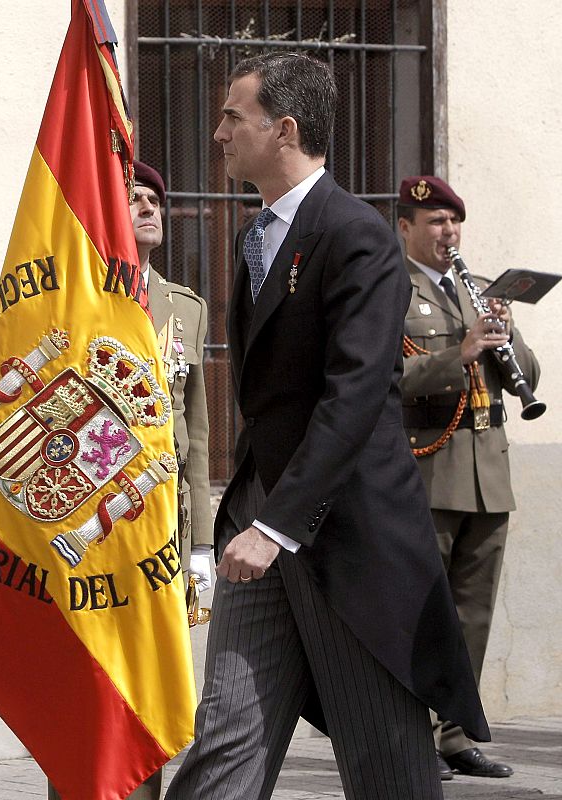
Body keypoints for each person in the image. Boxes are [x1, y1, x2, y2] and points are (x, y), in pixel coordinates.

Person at [164, 52, 489, 800]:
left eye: (231, 117)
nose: (217, 133)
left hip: (344, 538)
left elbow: (356, 396)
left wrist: (276, 526)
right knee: (225, 741)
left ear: (283, 129)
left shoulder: (356, 235)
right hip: (261, 515)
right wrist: (252, 517)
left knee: (387, 768)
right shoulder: (256, 237)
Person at [48, 160, 214, 800]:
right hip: (94, 525)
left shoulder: (184, 308)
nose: (148, 209)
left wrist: (200, 544)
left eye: (155, 201)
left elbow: (195, 436)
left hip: (161, 528)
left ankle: (140, 791)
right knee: (88, 671)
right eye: (133, 199)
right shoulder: (81, 300)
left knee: (151, 677)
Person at [397, 175, 540, 780]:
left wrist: (504, 333)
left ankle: (455, 734)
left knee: (472, 615)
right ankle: (415, 738)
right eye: (434, 223)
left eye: (453, 222)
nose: (447, 233)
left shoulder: (478, 291)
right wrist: (457, 353)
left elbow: (527, 373)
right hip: (431, 466)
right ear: (405, 228)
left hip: (488, 474)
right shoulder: (392, 293)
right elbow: (388, 381)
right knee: (427, 611)